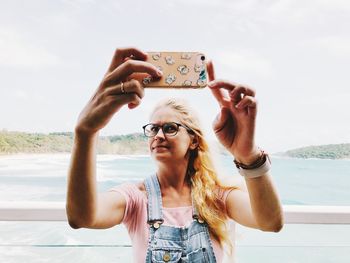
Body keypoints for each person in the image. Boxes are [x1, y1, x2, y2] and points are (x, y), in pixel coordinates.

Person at [66, 47, 284, 262]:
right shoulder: (136, 198)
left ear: (194, 140)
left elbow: (270, 222)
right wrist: (85, 132)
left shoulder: (215, 197)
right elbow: (82, 217)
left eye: (170, 128)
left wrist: (248, 156)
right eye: (153, 128)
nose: (158, 135)